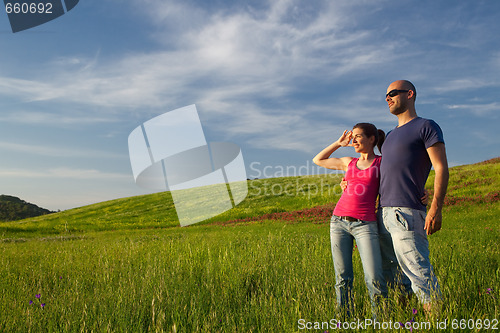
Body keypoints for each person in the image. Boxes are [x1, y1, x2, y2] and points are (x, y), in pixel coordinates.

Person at [378, 80, 449, 316]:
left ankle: (437, 322)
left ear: (409, 94)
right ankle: (408, 320)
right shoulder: (389, 136)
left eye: (392, 93)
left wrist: (436, 209)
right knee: (395, 274)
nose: (387, 98)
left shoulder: (426, 126)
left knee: (418, 271)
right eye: (385, 95)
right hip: (383, 214)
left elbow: (440, 168)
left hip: (406, 211)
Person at [313, 123, 387, 316]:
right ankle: (343, 318)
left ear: (372, 139)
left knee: (374, 277)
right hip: (338, 223)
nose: (353, 140)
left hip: (365, 225)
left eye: (358, 136)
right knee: (343, 277)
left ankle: (380, 321)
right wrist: (338, 143)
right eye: (352, 136)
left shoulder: (382, 163)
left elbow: (402, 178)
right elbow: (318, 159)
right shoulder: (349, 162)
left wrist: (421, 192)